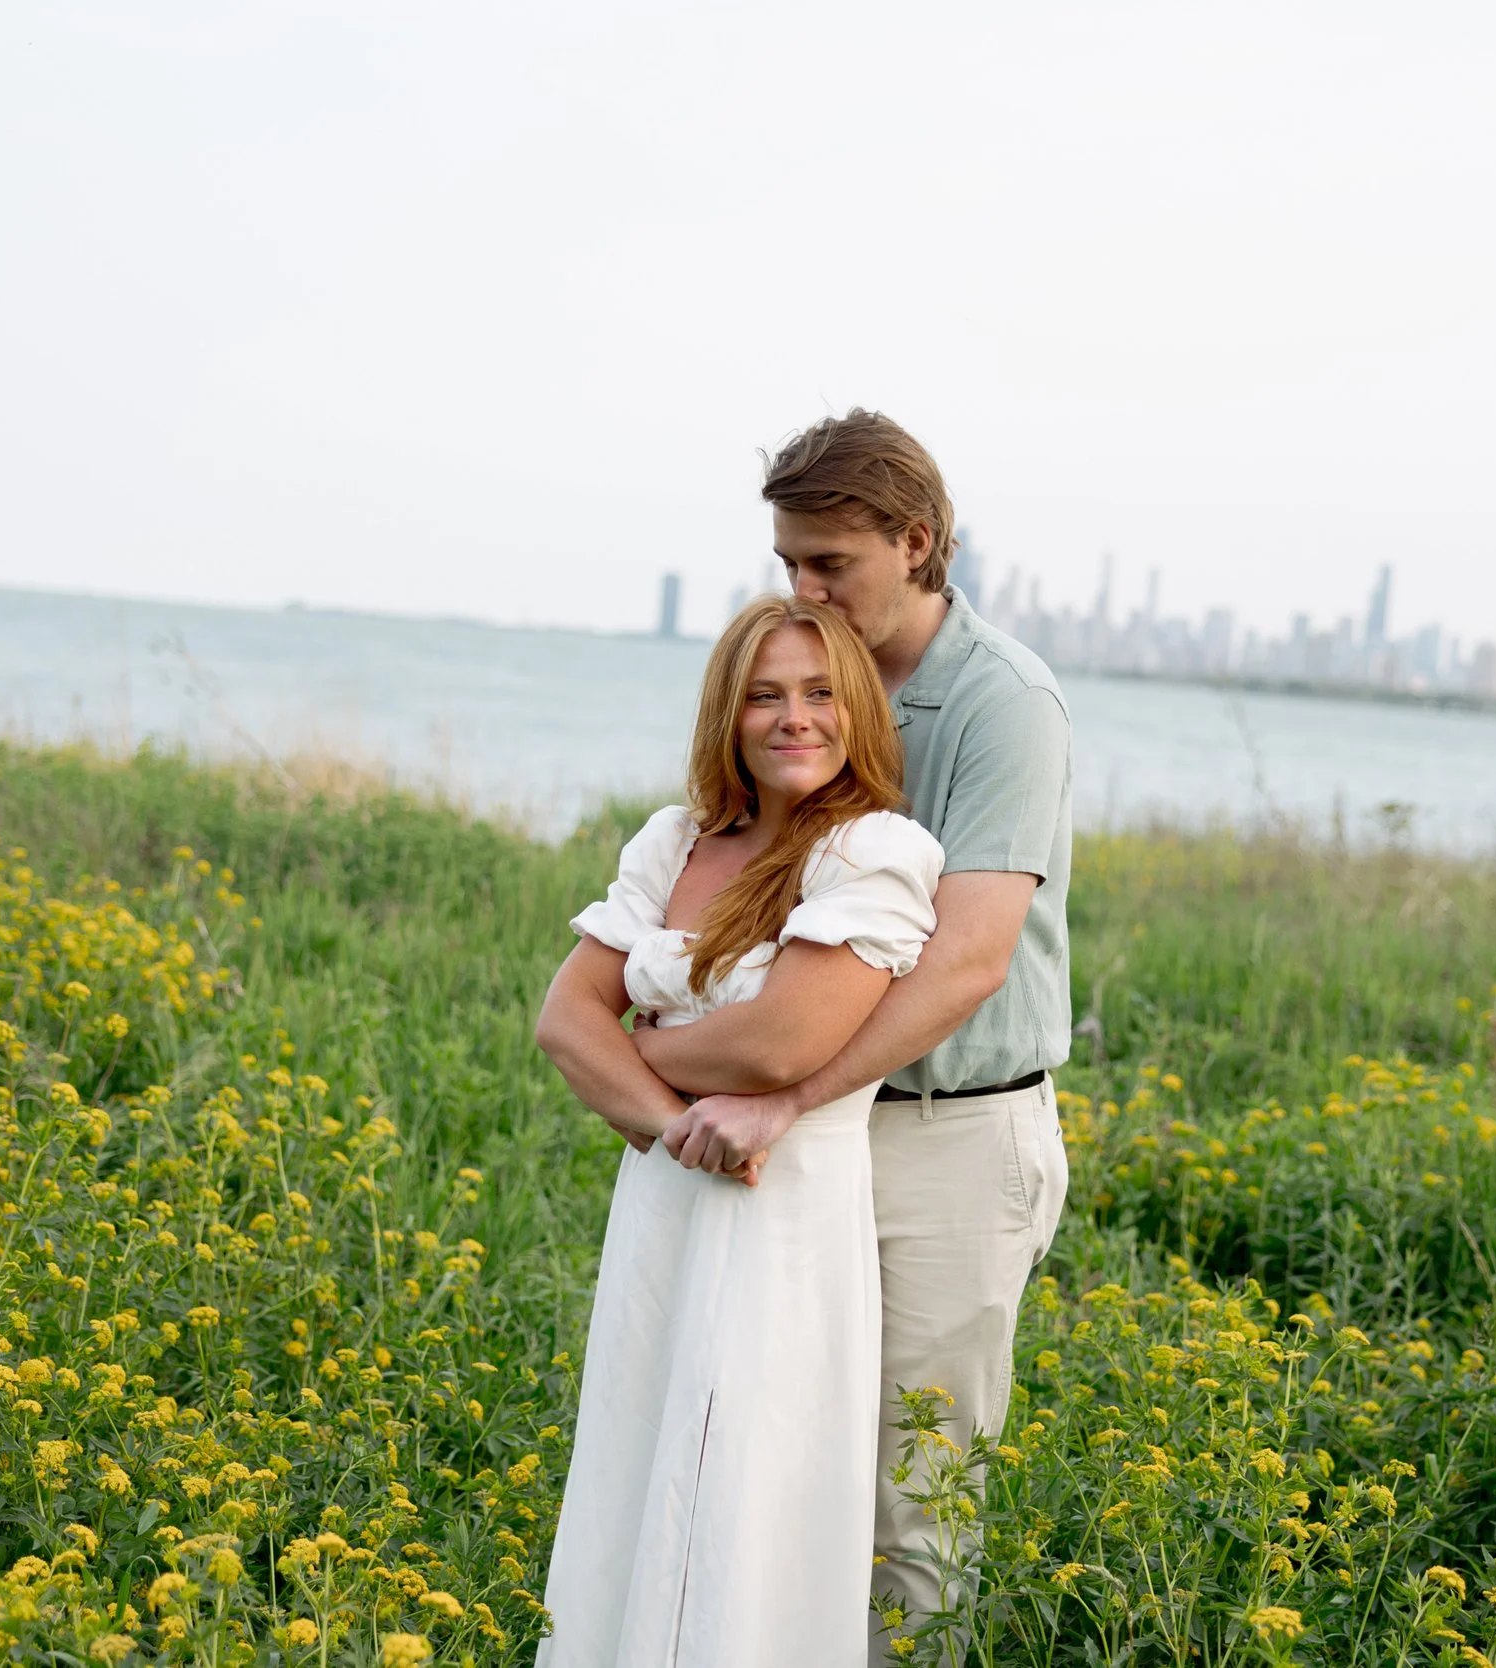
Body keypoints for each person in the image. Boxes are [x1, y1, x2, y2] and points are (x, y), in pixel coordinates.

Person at [650, 411, 1074, 1661]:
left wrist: (782, 1089)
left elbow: (968, 960)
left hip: (941, 1138)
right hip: (809, 1132)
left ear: (918, 542)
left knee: (912, 1496)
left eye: (830, 564)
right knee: (771, 1469)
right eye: (789, 563)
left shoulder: (1003, 705)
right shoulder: (803, 688)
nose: (803, 589)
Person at [532, 594, 945, 1666]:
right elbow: (561, 1018)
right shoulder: (674, 842)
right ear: (727, 714)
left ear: (857, 708)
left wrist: (624, 1054)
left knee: (746, 1493)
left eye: (818, 694)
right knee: (637, 1457)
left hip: (782, 1214)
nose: (792, 717)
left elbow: (777, 1046)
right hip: (674, 1185)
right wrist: (671, 1121)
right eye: (763, 695)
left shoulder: (876, 851)